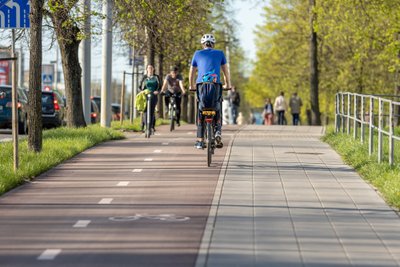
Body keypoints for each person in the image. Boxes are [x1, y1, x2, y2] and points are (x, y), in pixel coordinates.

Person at [189, 33, 232, 149]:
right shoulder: (220, 53)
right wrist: (228, 84)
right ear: (213, 44)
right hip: (215, 84)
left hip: (201, 85)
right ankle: (218, 131)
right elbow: (225, 71)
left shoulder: (197, 54)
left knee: (200, 109)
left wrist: (191, 85)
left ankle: (200, 140)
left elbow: (192, 72)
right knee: (217, 107)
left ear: (203, 44)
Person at [139, 65, 161, 133]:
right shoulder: (144, 77)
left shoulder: (156, 77)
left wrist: (157, 91)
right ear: (146, 69)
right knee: (145, 111)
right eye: (149, 68)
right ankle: (146, 126)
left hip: (153, 95)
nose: (150, 69)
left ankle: (151, 126)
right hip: (145, 95)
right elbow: (140, 86)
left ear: (153, 69)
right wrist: (142, 91)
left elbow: (160, 86)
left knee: (151, 111)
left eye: (151, 68)